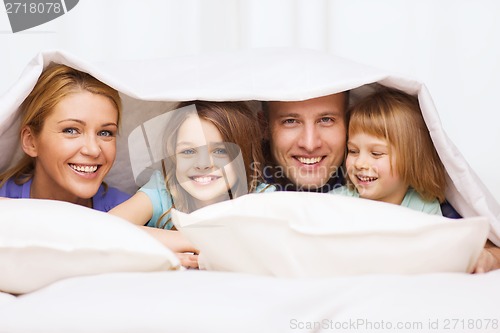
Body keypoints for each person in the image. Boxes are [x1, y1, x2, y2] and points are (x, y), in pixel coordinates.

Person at [261, 90, 500, 272]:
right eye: (290, 121)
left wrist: (488, 255)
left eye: (326, 119)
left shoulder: (425, 204)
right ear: (264, 126)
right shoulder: (257, 183)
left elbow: (476, 240)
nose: (310, 143)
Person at [109, 101, 274, 262]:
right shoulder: (163, 191)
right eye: (188, 151)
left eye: (220, 150)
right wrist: (186, 241)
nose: (203, 164)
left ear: (244, 154)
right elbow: (106, 227)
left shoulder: (261, 198)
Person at [0, 63, 130, 211]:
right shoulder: (5, 206)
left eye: (105, 133)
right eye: (71, 130)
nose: (93, 150)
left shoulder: (131, 213)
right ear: (31, 141)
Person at [330, 87, 445, 215]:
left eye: (376, 153)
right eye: (353, 151)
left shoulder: (425, 209)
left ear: (412, 160)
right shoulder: (335, 202)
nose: (359, 163)